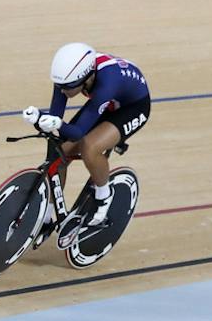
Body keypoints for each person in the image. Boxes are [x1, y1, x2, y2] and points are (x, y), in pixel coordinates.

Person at [22, 42, 150, 230]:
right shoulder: (68, 76)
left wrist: (57, 124)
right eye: (59, 86)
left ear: (86, 79)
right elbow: (56, 119)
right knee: (58, 152)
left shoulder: (107, 82)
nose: (62, 91)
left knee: (90, 147)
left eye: (68, 87)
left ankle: (104, 197)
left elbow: (78, 133)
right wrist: (39, 119)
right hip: (106, 103)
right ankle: (47, 215)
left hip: (133, 107)